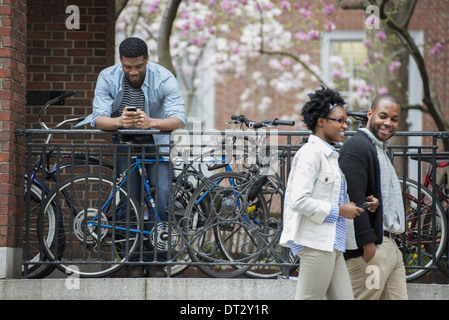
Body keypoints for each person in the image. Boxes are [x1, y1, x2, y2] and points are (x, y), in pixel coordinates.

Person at [77, 37, 186, 277]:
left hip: (157, 144)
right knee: (129, 201)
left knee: (163, 195)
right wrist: (119, 122)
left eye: (138, 66)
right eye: (128, 66)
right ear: (121, 62)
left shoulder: (164, 77)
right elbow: (98, 118)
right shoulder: (108, 76)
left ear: (147, 60)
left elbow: (179, 119)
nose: (133, 71)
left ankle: (158, 261)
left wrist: (151, 122)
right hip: (125, 143)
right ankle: (133, 261)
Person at [280, 86, 378, 300]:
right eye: (339, 120)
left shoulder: (330, 156)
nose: (345, 125)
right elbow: (298, 201)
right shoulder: (310, 154)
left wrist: (361, 204)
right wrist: (339, 211)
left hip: (332, 244)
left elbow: (331, 197)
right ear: (321, 121)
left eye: (346, 121)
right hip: (316, 244)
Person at [338, 94, 408, 300]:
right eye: (383, 116)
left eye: (394, 119)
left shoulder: (381, 149)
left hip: (391, 248)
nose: (388, 123)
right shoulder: (357, 148)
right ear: (370, 114)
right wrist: (367, 244)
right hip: (372, 249)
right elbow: (352, 198)